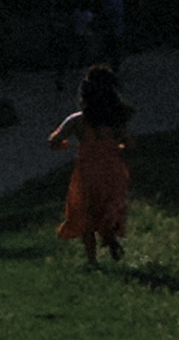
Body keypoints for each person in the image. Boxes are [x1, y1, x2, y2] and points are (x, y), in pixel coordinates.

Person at [48, 65, 135, 267]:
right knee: (110, 206)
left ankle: (92, 260)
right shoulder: (116, 119)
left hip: (87, 172)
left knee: (86, 212)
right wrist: (118, 145)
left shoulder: (77, 120)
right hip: (113, 169)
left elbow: (54, 140)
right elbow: (128, 143)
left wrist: (64, 144)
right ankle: (110, 236)